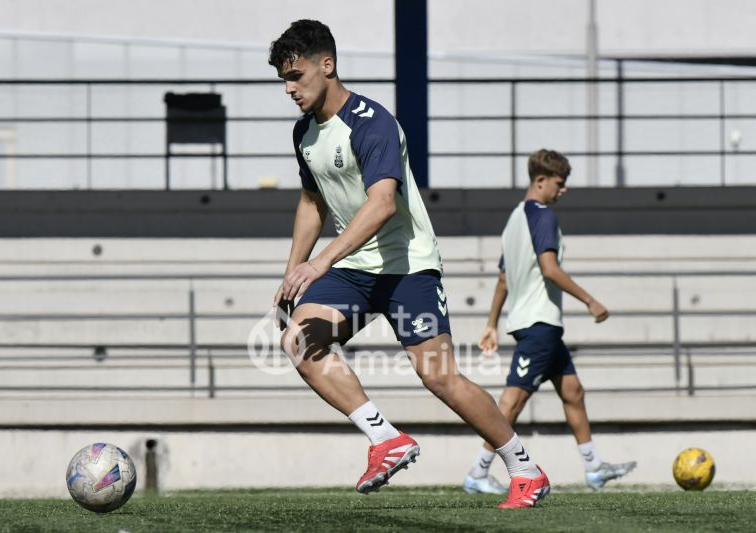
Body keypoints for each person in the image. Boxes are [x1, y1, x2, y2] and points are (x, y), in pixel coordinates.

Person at [268, 19, 549, 508]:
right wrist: (293, 271)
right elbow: (312, 203)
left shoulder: (371, 121)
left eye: (297, 76)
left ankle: (525, 469)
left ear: (327, 65)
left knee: (439, 376)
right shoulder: (305, 133)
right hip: (354, 268)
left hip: (407, 266)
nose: (290, 89)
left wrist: (320, 263)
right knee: (299, 340)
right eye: (284, 80)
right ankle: (385, 439)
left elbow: (382, 204)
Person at [462, 149, 636, 495]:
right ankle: (477, 474)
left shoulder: (514, 220)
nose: (563, 189)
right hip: (538, 323)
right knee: (512, 401)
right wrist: (590, 300)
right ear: (540, 181)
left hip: (539, 324)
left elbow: (502, 279)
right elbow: (549, 269)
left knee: (573, 392)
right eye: (560, 183)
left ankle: (593, 468)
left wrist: (491, 324)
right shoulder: (543, 216)